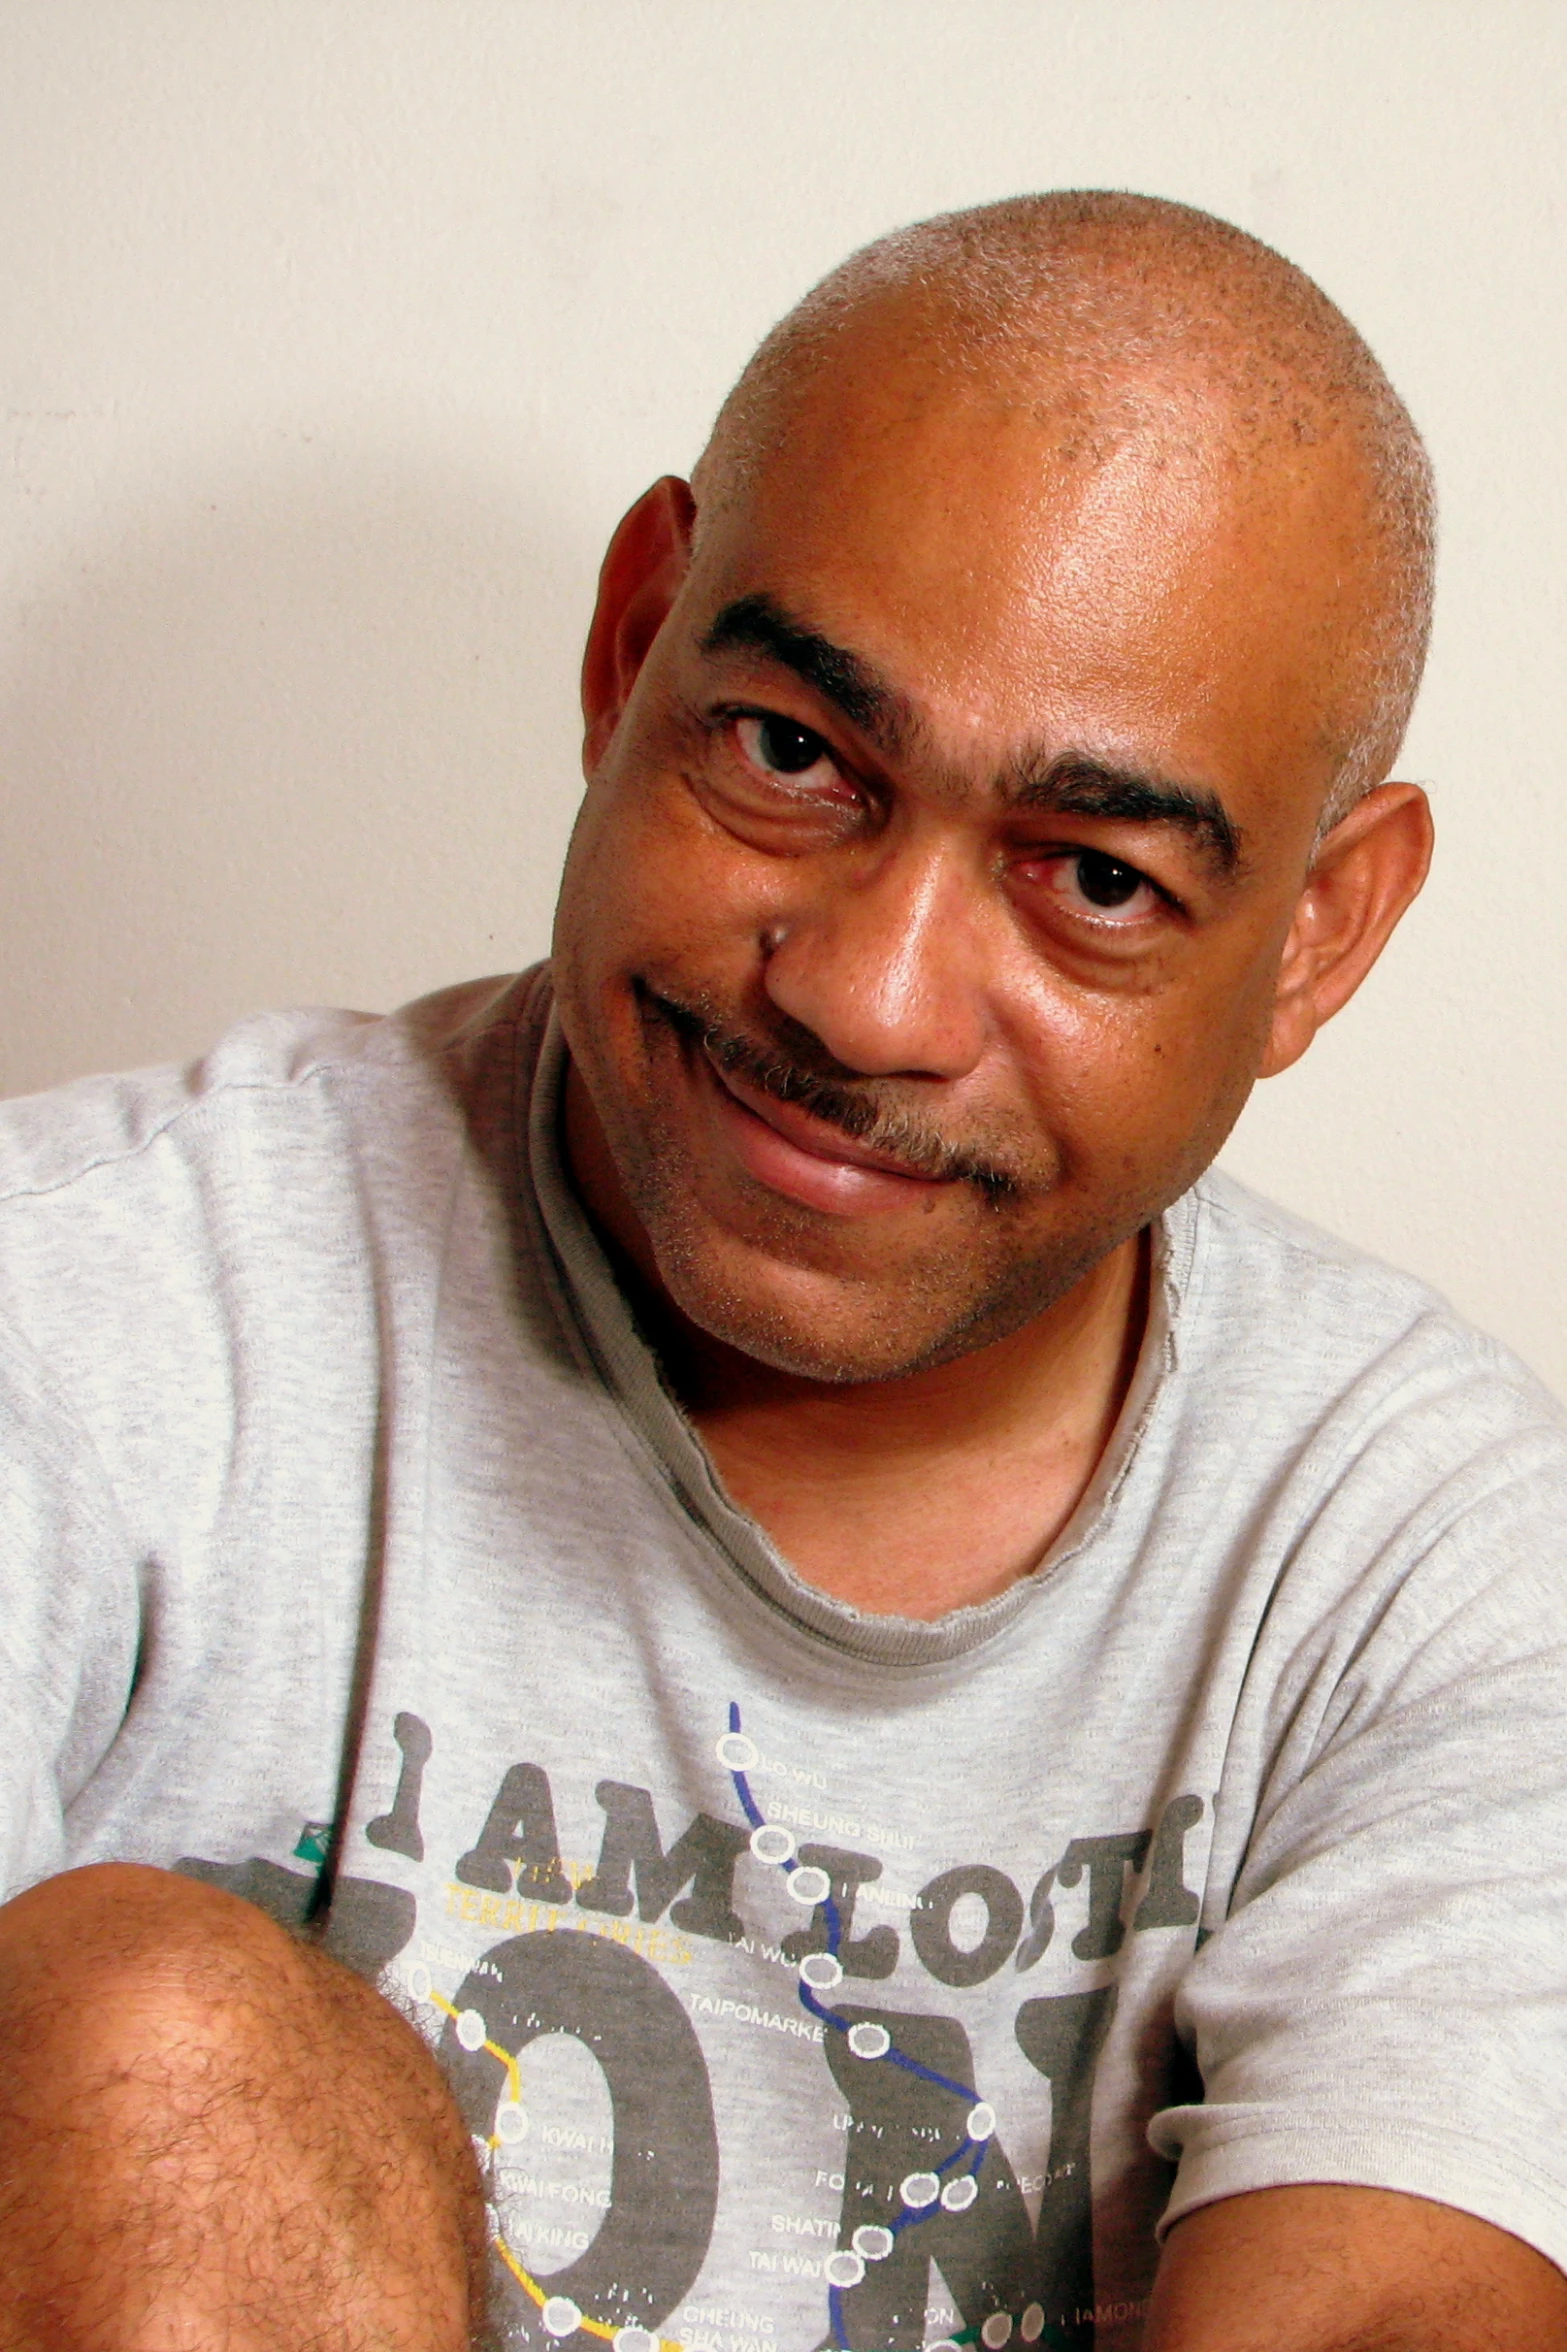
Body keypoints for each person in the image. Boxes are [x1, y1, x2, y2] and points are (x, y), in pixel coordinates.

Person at [0, 190, 1564, 2352]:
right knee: (149, 2040)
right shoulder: (79, 1320)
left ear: (1316, 933)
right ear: (633, 643)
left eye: (1093, 877)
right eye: (794, 756)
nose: (867, 999)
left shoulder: (1438, 1564)